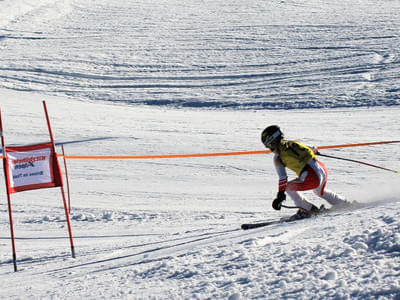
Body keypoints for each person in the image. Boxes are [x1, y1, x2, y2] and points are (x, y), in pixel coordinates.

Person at [261, 125, 351, 219]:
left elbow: (283, 178)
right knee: (319, 192)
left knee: (287, 187)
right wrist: (314, 150)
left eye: (268, 145)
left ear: (272, 141)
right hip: (321, 170)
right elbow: (312, 148)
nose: (269, 148)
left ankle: (308, 210)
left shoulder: (278, 157)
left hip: (312, 176)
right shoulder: (292, 143)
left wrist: (279, 197)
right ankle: (343, 203)